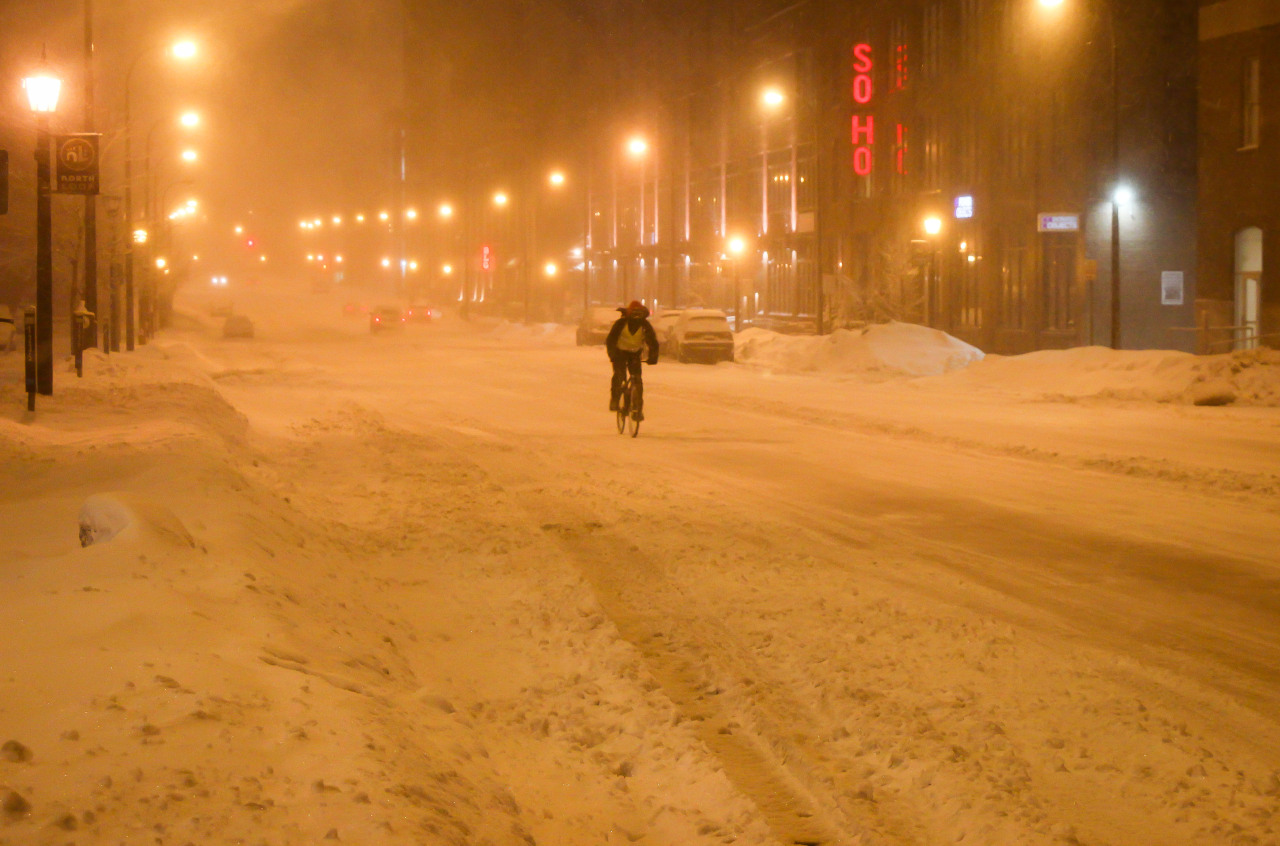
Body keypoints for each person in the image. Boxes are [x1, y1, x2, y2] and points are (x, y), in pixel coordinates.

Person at [605, 300, 659, 419]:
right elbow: (611, 340)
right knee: (619, 376)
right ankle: (615, 399)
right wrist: (612, 354)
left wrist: (653, 357)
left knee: (638, 381)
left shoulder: (644, 325)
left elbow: (652, 342)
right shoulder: (621, 323)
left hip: (635, 354)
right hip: (620, 353)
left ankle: (638, 409)